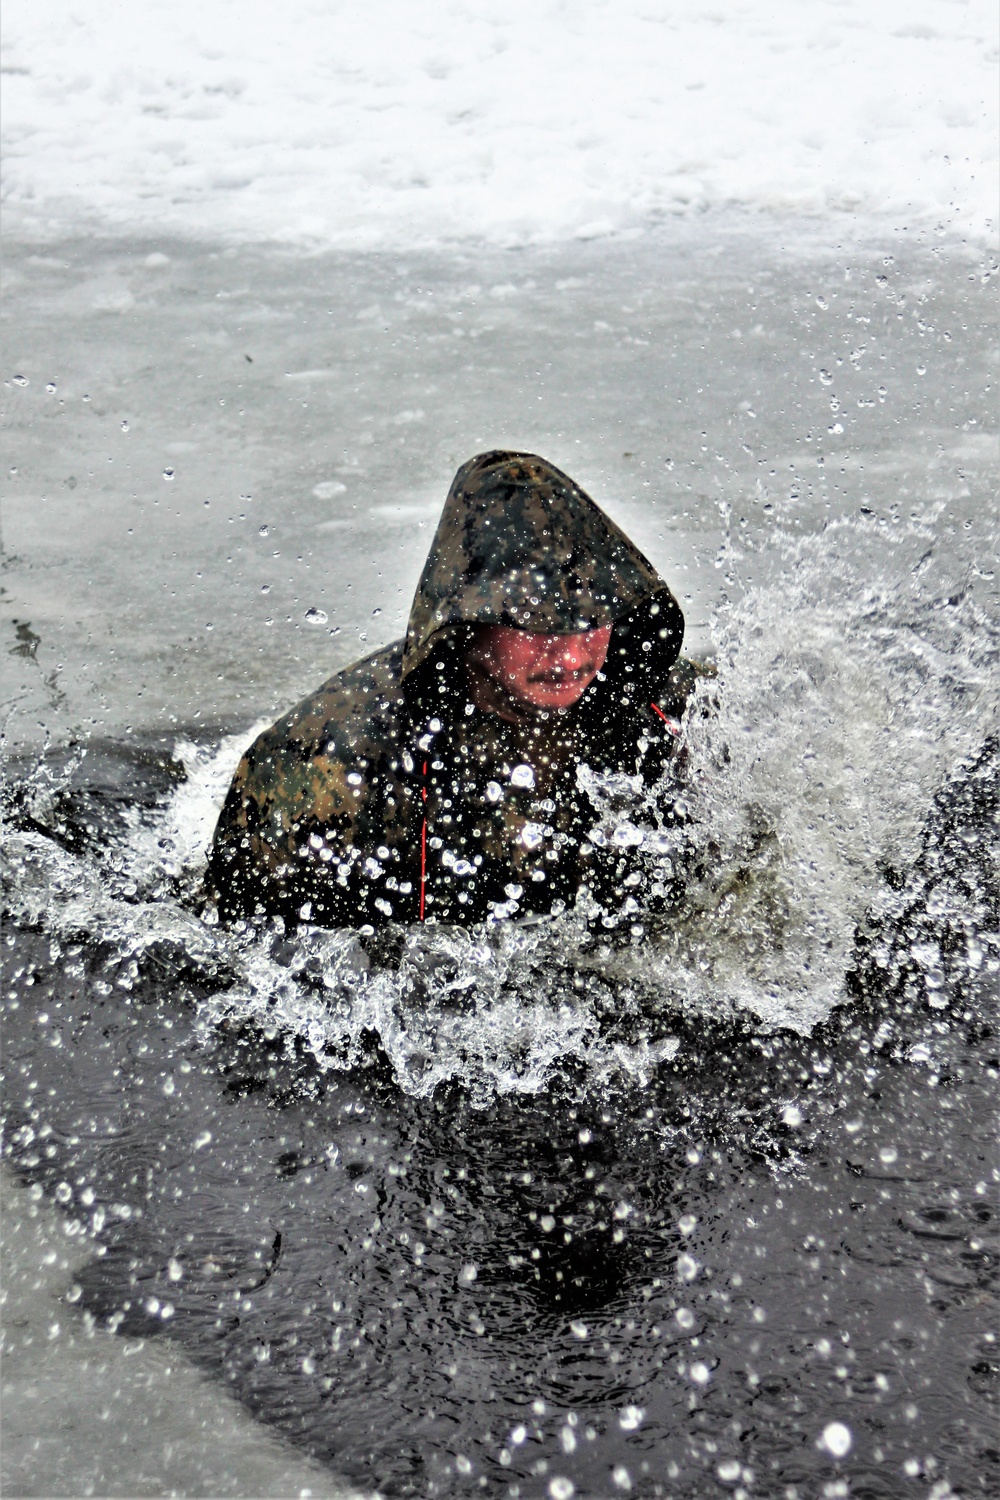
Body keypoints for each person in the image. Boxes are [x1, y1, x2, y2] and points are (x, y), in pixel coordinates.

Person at [208, 450, 704, 930]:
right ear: (469, 617)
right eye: (536, 623)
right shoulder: (326, 766)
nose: (571, 657)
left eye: (592, 618)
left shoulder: (682, 713)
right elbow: (234, 965)